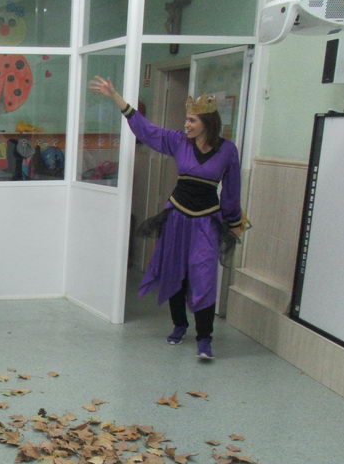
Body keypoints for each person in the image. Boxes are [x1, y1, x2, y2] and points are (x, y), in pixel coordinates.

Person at [89, 75, 245, 360]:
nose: (186, 125)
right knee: (176, 272)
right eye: (186, 120)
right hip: (177, 217)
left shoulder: (227, 150)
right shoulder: (177, 141)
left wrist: (233, 223)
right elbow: (146, 129)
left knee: (204, 276)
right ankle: (179, 325)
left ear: (207, 124)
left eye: (192, 121)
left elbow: (232, 190)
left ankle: (205, 338)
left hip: (206, 222)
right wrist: (116, 96)